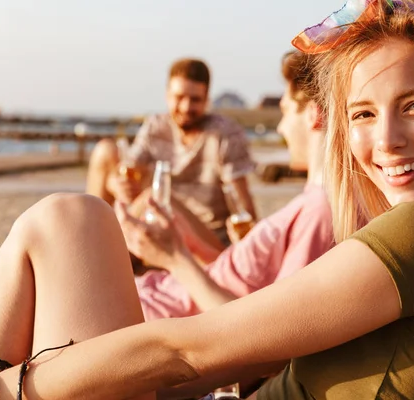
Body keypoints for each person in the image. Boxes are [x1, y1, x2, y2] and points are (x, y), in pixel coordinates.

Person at [0, 1, 414, 399]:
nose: (387, 140)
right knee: (69, 224)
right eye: (363, 114)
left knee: (68, 218)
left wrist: (5, 387)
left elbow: (187, 352)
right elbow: (250, 355)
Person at [125, 50, 334, 319]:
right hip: (165, 288)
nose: (280, 128)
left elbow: (272, 332)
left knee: (66, 213)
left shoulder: (320, 210)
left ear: (312, 115)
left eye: (284, 111)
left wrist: (175, 259)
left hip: (163, 307)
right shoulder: (312, 202)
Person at [86, 58, 257, 244]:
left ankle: (98, 243)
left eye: (195, 100)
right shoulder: (156, 126)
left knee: (152, 198)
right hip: (162, 227)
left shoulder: (225, 134)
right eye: (179, 97)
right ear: (168, 95)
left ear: (207, 99)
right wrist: (114, 184)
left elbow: (243, 206)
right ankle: (93, 242)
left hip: (206, 235)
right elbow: (129, 168)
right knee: (105, 150)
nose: (186, 107)